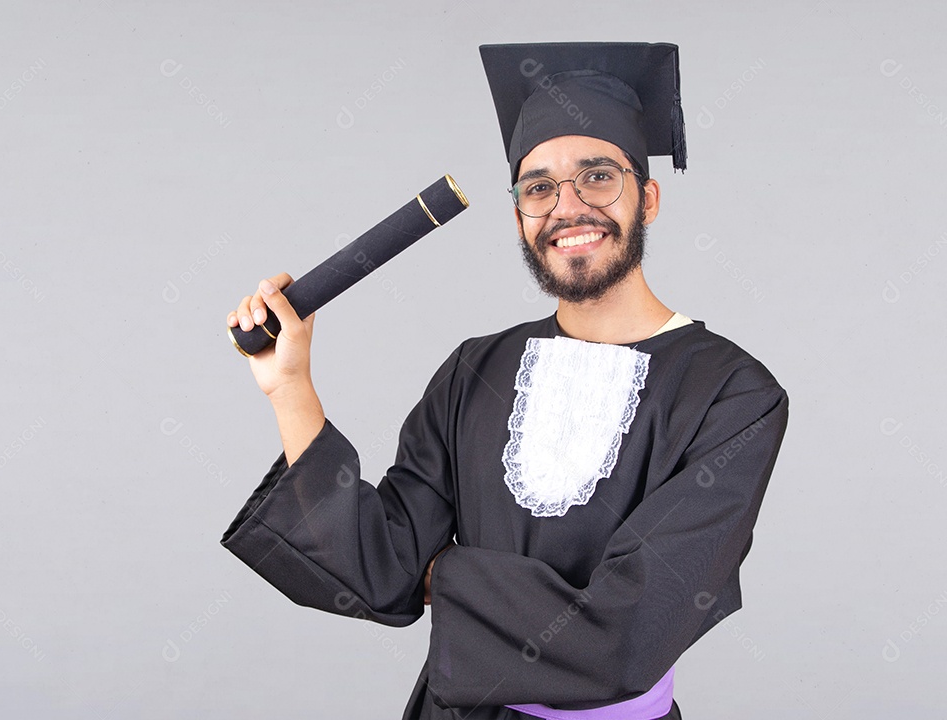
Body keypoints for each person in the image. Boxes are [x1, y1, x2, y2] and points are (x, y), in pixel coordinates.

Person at [221, 42, 789, 720]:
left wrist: (448, 577)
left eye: (598, 177)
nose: (567, 207)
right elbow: (381, 567)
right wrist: (291, 387)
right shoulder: (474, 372)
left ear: (650, 198)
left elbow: (633, 630)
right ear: (520, 214)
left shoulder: (732, 395)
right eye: (538, 187)